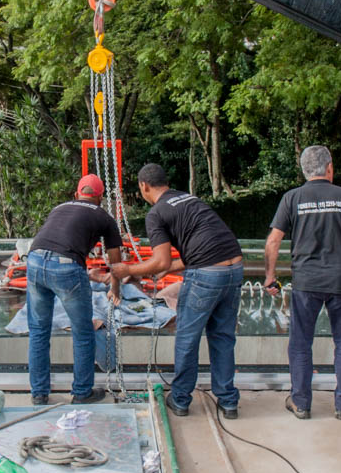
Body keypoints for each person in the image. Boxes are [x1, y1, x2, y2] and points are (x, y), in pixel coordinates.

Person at [111, 164, 244, 419]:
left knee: (187, 337)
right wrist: (167, 267)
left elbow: (159, 261)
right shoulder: (189, 199)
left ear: (144, 186)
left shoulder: (156, 213)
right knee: (223, 337)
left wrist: (127, 269)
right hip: (234, 267)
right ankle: (228, 402)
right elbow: (199, 250)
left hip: (207, 274)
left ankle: (181, 399)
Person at [263, 146, 341, 420]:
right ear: (329, 167)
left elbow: (273, 241)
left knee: (301, 343)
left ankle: (301, 403)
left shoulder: (292, 198)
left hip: (306, 281)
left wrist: (270, 276)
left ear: (304, 170)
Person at [26, 174, 123, 405]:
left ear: (77, 194)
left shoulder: (59, 208)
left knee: (39, 331)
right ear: (99, 198)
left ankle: (38, 394)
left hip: (35, 260)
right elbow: (116, 261)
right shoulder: (103, 216)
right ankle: (81, 393)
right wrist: (115, 289)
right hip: (66, 266)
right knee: (82, 332)